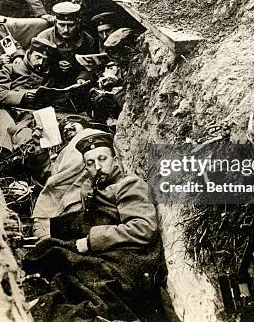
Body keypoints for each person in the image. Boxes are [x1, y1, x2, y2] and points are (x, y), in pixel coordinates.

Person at [22, 133, 179, 321]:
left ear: (115, 160)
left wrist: (91, 241)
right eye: (90, 163)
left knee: (83, 279)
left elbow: (143, 228)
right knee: (49, 252)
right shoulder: (94, 187)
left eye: (102, 159)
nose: (97, 167)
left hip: (135, 257)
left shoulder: (129, 185)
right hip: (112, 251)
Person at [0, 37, 58, 150]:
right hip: (8, 113)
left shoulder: (48, 76)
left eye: (45, 60)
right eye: (37, 57)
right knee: (12, 139)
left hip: (31, 116)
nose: (41, 63)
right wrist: (22, 96)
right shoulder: (10, 70)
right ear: (29, 54)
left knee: (51, 139)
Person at [37, 1, 96, 87]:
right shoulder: (44, 37)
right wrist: (55, 66)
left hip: (76, 82)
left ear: (78, 23)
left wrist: (82, 78)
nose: (66, 30)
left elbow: (89, 67)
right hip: (49, 82)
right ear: (55, 23)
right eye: (61, 25)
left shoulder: (87, 39)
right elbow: (35, 65)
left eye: (71, 25)